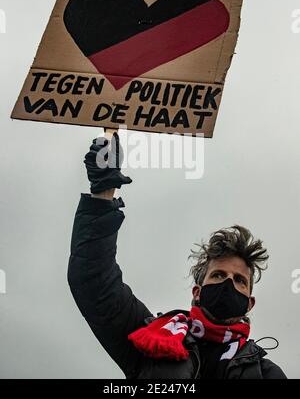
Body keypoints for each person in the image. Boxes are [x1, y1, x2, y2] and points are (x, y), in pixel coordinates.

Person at [67, 132, 287, 379]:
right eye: (218, 275)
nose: (227, 283)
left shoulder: (265, 374)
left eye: (239, 280)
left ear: (249, 302)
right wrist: (103, 194)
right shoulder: (148, 337)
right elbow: (94, 282)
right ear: (197, 291)